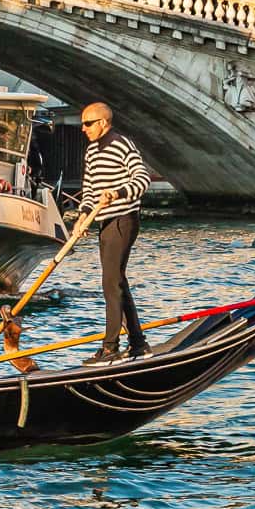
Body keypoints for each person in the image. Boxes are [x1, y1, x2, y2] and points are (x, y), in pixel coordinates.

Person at [77, 102, 153, 365]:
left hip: (123, 219)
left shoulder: (122, 144)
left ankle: (111, 348)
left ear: (103, 123)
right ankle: (139, 344)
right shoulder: (91, 152)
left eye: (88, 123)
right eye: (82, 123)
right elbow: (89, 188)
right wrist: (83, 216)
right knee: (117, 281)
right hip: (105, 222)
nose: (83, 128)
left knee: (110, 282)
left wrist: (117, 193)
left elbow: (142, 179)